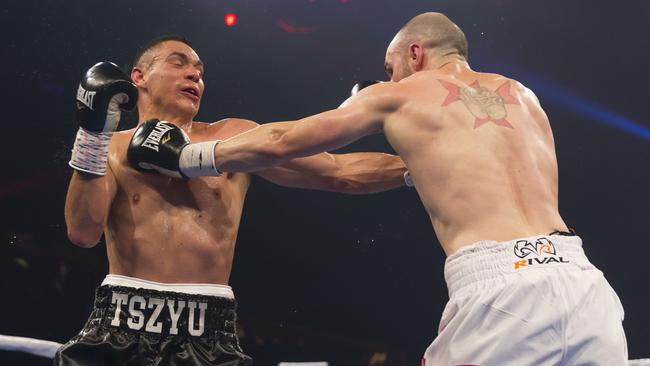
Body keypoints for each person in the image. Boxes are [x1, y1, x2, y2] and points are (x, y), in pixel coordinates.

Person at [130, 13, 629, 365]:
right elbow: (455, 165)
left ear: (415, 53)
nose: (386, 78)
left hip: (504, 291)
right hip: (586, 286)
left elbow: (282, 140)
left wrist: (185, 157)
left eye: (390, 67)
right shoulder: (523, 97)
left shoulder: (396, 94)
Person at [58, 35, 407, 366]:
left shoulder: (232, 139)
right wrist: (92, 134)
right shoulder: (110, 147)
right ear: (140, 76)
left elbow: (337, 171)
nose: (194, 73)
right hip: (118, 324)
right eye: (179, 63)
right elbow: (82, 232)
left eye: (199, 70)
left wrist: (421, 165)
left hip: (205, 331)